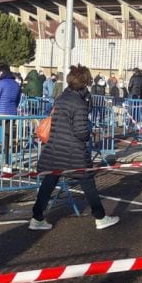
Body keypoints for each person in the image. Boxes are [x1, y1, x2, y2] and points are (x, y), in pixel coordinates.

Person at [29, 65, 120, 232]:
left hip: (55, 148)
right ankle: (100, 217)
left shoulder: (62, 98)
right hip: (72, 150)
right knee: (88, 183)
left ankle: (37, 217)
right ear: (84, 83)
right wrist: (88, 133)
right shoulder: (78, 103)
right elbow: (80, 131)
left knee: (48, 183)